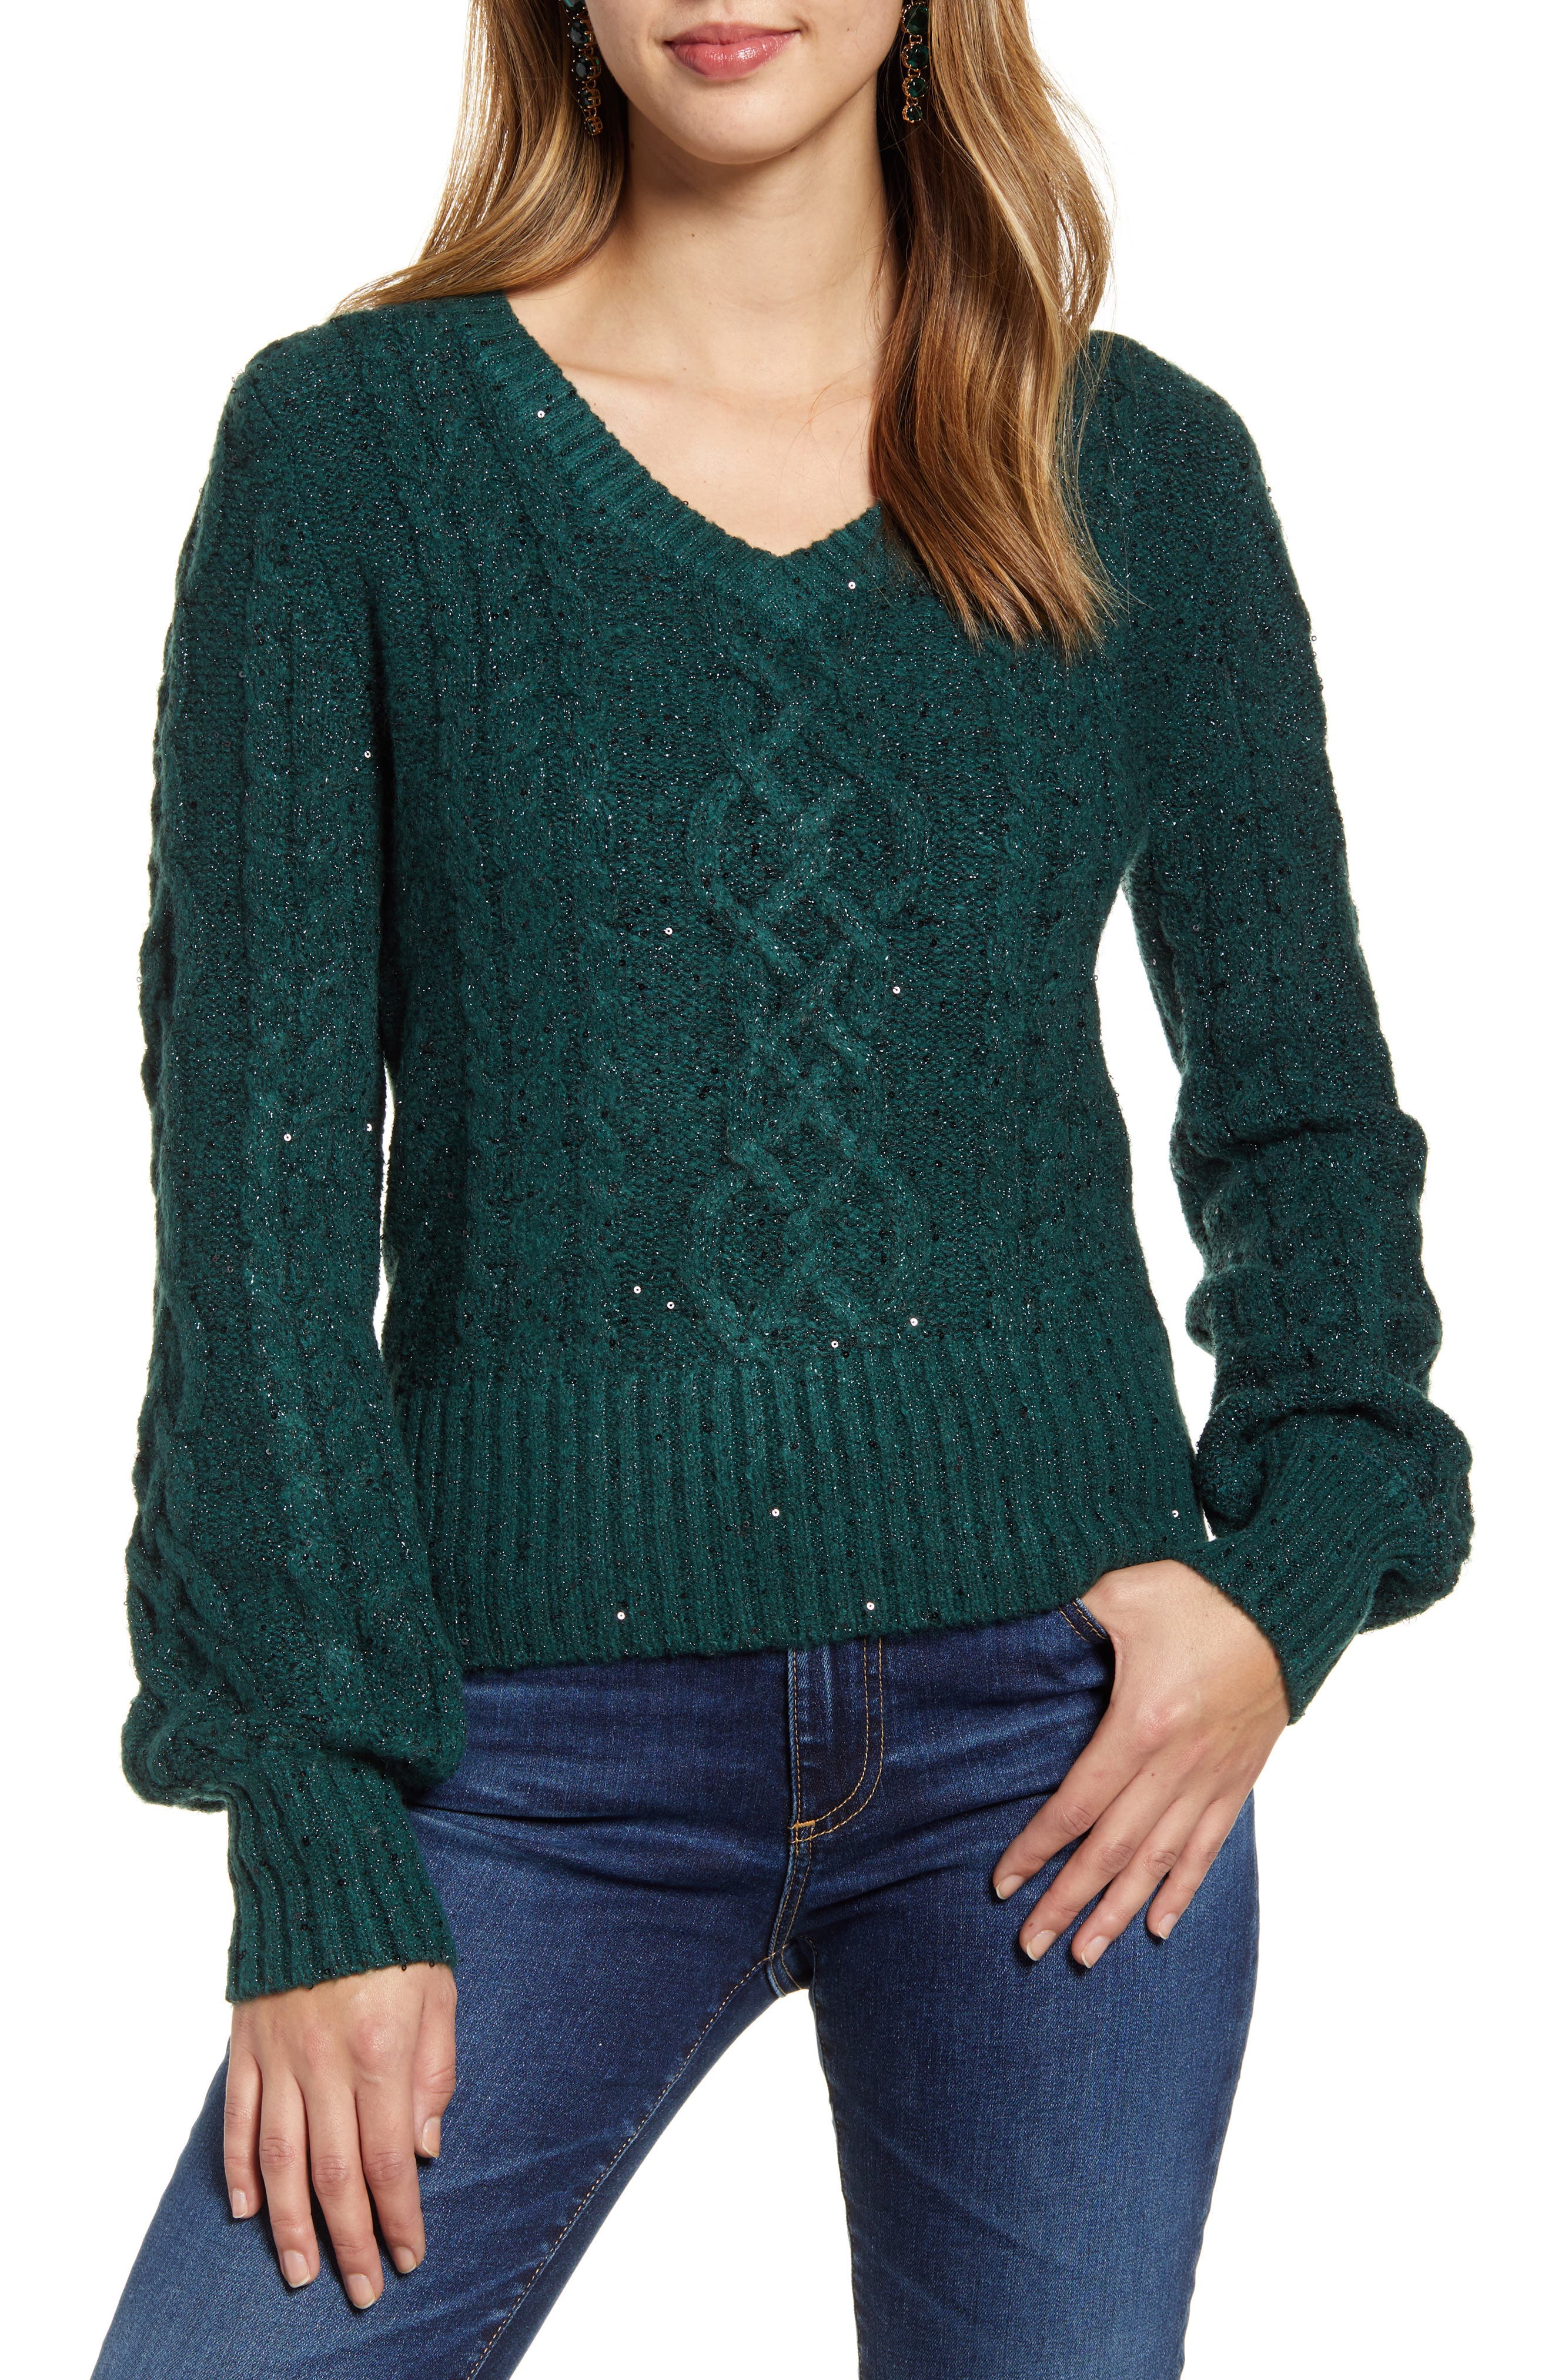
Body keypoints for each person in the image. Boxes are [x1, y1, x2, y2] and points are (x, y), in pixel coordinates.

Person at [93, 1, 1473, 2373]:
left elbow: (1306, 1128)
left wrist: (1291, 1582)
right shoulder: (353, 455)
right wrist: (311, 1819)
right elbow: (254, 1179)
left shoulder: (1139, 467)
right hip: (516, 1752)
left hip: (1057, 1750)